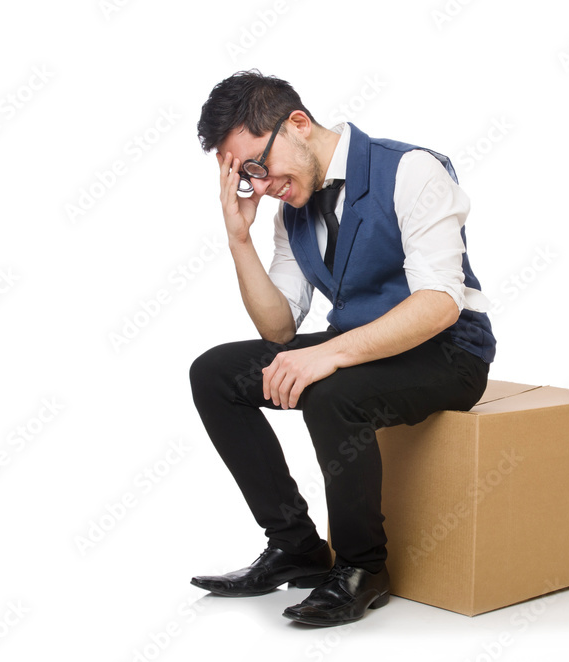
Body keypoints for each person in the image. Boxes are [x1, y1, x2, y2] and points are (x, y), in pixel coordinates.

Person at [188, 70, 496, 627]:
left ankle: (361, 567)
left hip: (449, 351)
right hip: (361, 349)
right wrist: (238, 238)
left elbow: (439, 303)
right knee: (213, 373)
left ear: (297, 125)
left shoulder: (410, 170)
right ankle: (297, 546)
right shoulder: (292, 209)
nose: (258, 185)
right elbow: (279, 329)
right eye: (244, 177)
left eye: (257, 166)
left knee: (331, 392)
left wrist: (328, 355)